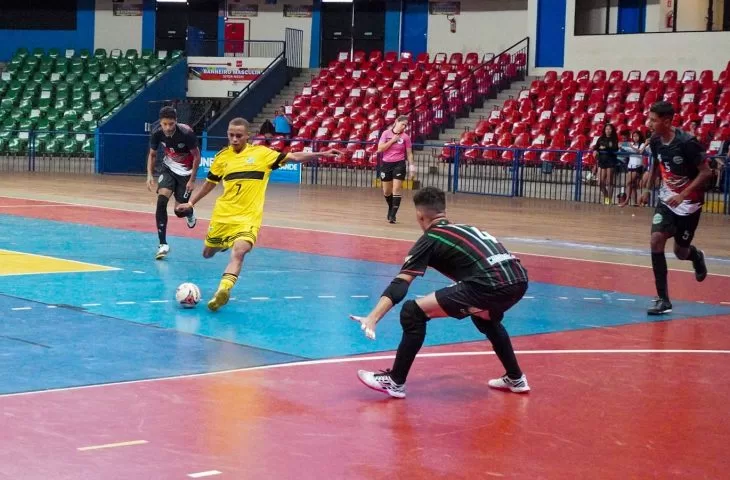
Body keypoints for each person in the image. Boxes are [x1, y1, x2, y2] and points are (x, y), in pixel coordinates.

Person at [350, 186, 530, 399]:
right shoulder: (466, 228)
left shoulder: (431, 238)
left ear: (420, 215)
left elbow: (401, 283)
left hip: (488, 284)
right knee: (485, 318)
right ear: (443, 210)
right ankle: (516, 377)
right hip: (519, 280)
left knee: (412, 312)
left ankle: (395, 381)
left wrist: (373, 317)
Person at [175, 118, 341, 312]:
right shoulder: (222, 157)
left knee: (239, 252)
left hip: (248, 218)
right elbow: (210, 183)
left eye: (239, 136)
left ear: (248, 136)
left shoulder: (262, 155)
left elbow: (295, 157)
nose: (234, 139)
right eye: (231, 135)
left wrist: (321, 153)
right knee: (207, 253)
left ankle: (223, 291)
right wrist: (191, 203)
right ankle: (221, 245)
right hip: (223, 215)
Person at [639, 101, 710, 315]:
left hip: (688, 204)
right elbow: (657, 165)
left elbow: (706, 172)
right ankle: (663, 299)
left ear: (667, 121)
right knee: (656, 239)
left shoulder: (687, 143)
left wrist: (683, 195)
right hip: (666, 200)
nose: (649, 123)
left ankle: (695, 256)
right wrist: (648, 189)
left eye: (653, 120)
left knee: (680, 251)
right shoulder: (655, 141)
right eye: (649, 118)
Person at [146, 106, 201, 260]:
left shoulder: (186, 133)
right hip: (169, 168)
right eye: (165, 124)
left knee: (179, 211)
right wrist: (149, 174)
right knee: (161, 201)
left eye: (171, 124)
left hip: (186, 174)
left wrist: (192, 180)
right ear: (161, 123)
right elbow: (152, 154)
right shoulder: (157, 133)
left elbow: (197, 157)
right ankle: (163, 243)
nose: (168, 128)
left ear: (176, 121)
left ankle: (189, 212)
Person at [377, 116, 416, 224]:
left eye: (405, 125)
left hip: (399, 164)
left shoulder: (406, 137)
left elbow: (409, 153)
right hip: (386, 164)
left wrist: (412, 167)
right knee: (386, 191)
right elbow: (380, 149)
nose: (404, 126)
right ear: (396, 122)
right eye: (402, 124)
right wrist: (392, 141)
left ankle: (393, 215)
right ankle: (391, 206)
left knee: (397, 189)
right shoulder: (386, 133)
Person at [618, 130, 649, 207]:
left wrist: (631, 147)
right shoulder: (631, 144)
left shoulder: (642, 144)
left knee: (628, 183)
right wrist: (621, 147)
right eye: (634, 136)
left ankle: (627, 200)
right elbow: (627, 150)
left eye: (637, 136)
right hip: (630, 166)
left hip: (637, 166)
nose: (635, 138)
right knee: (632, 185)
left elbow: (640, 152)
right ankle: (635, 202)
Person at [593, 123, 619, 205]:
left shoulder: (614, 139)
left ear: (612, 130)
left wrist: (606, 148)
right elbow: (596, 147)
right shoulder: (601, 138)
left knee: (609, 182)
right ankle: (606, 196)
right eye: (606, 129)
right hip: (602, 161)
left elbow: (615, 148)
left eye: (610, 129)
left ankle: (609, 201)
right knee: (600, 182)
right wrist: (595, 150)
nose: (608, 130)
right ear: (604, 130)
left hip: (610, 161)